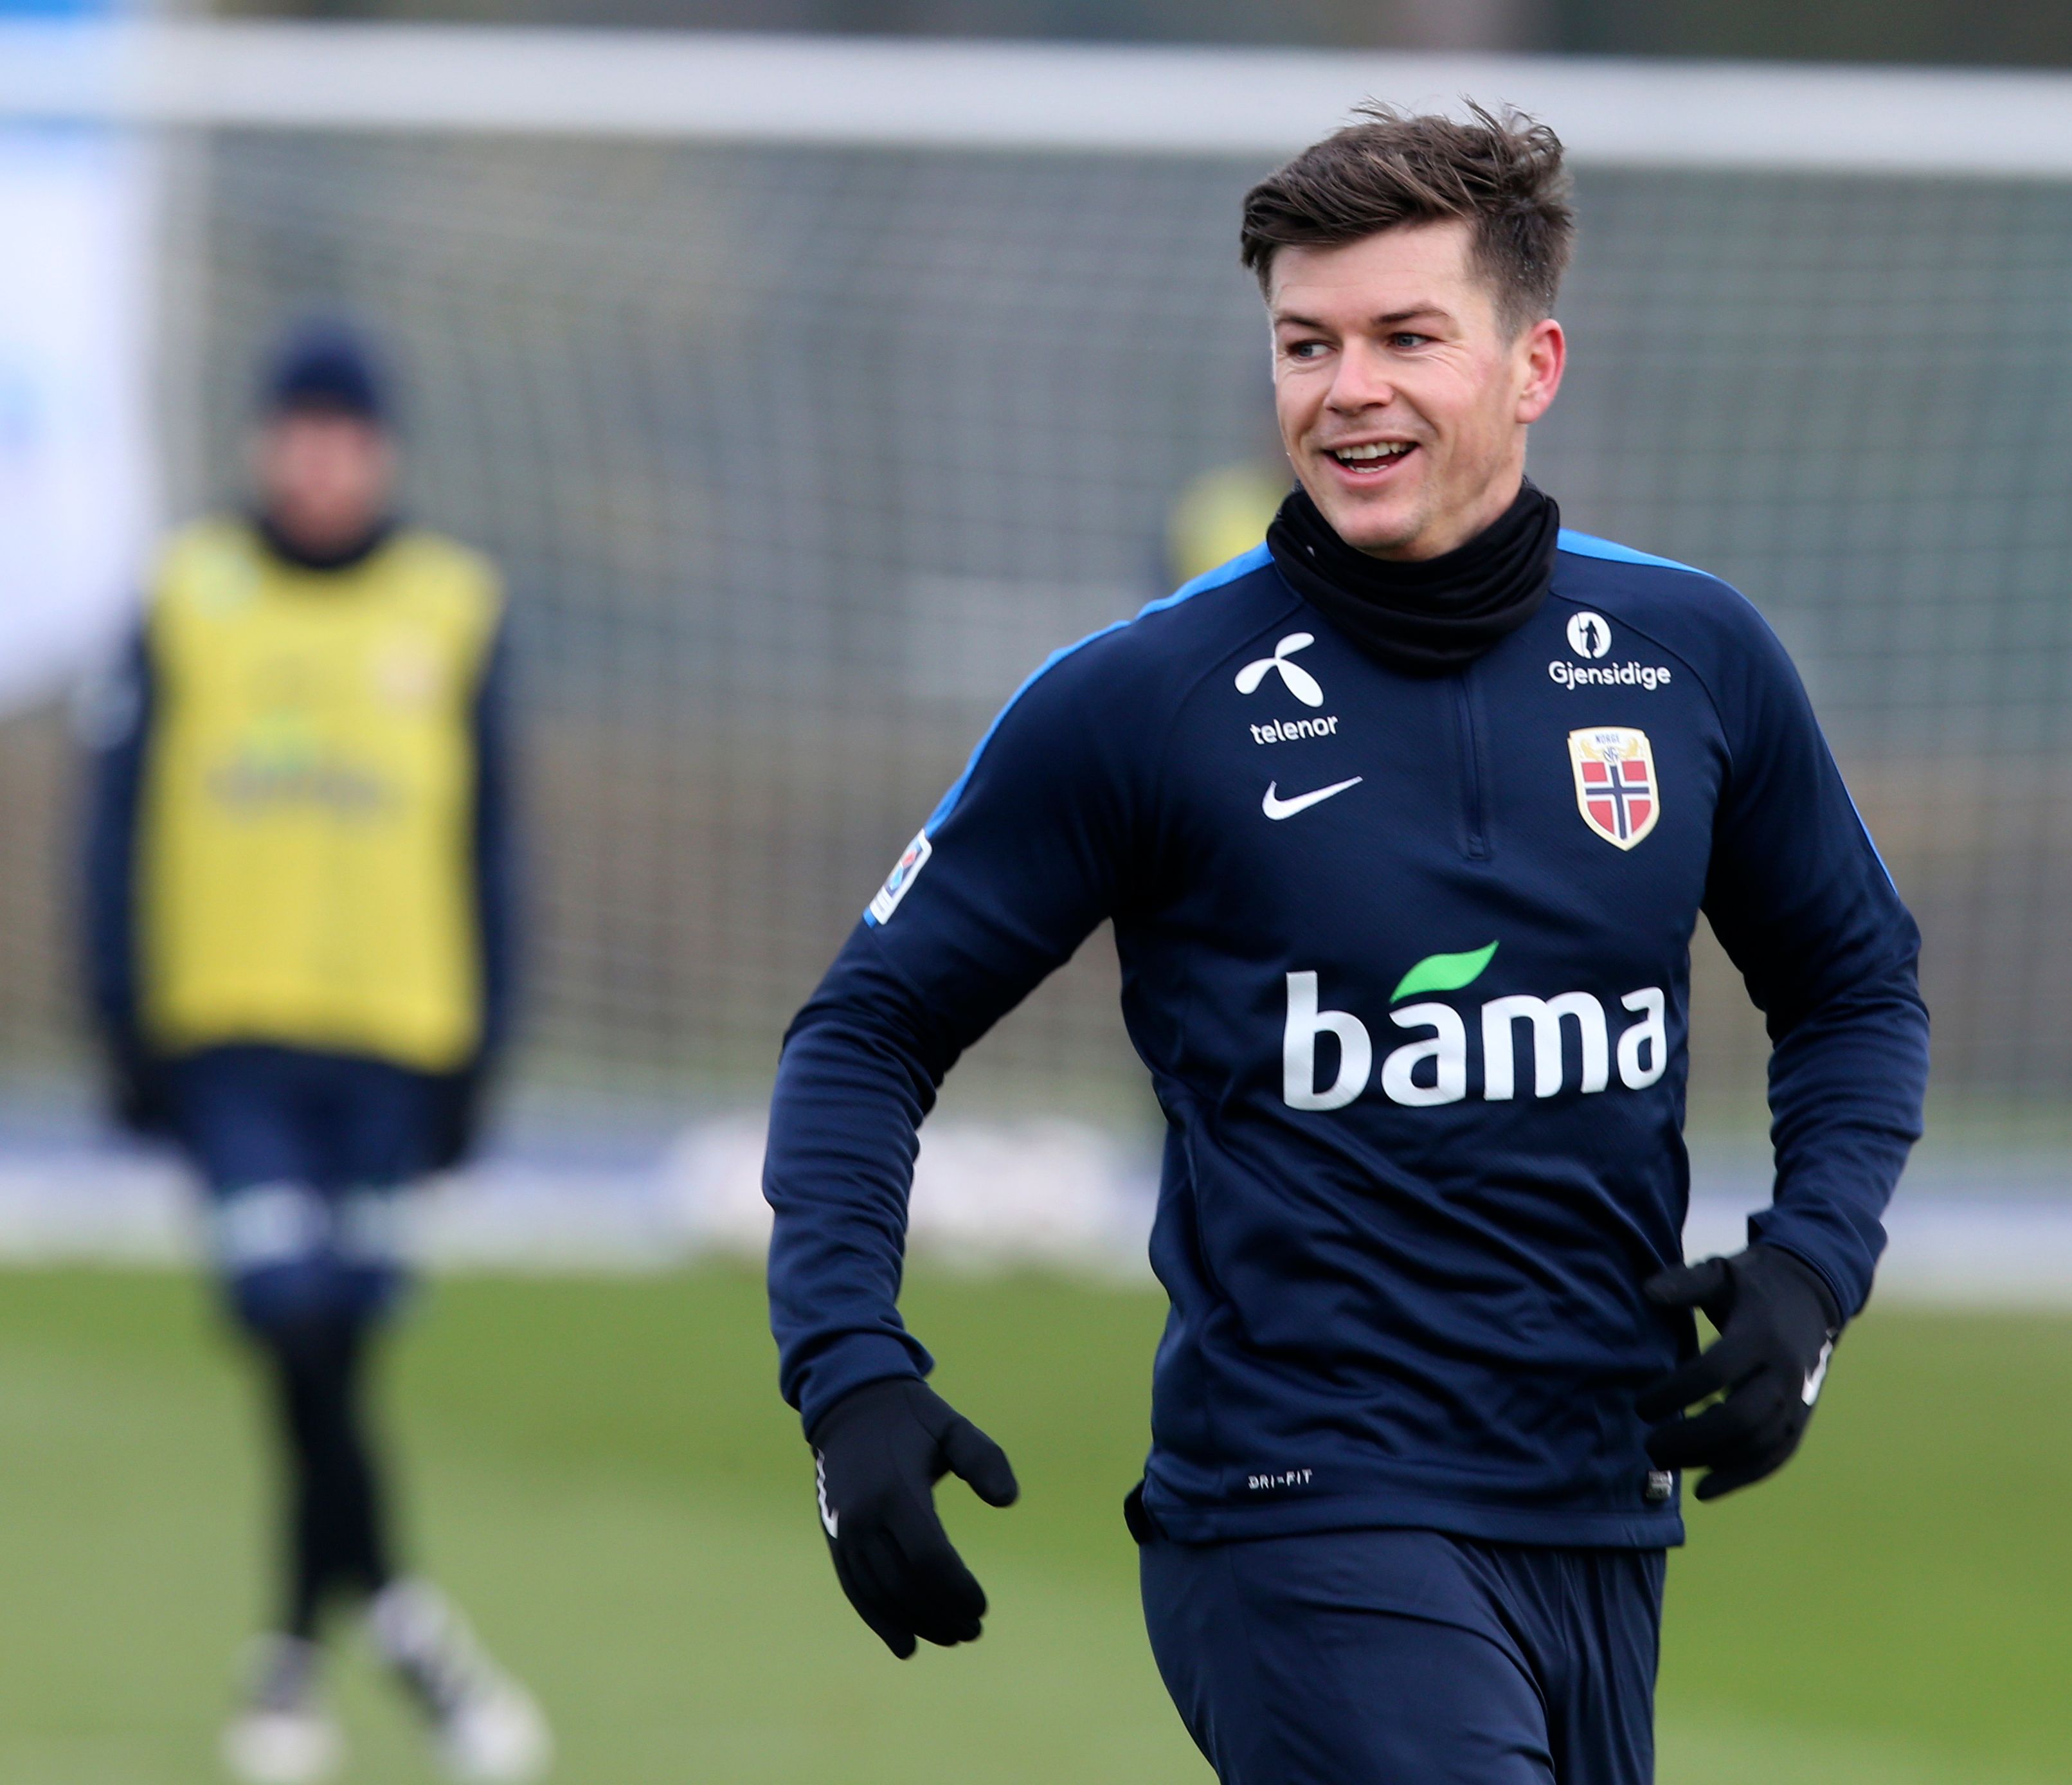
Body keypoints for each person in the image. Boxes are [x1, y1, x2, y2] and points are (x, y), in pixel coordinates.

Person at [767, 104, 1928, 1784]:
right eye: (1304, 344)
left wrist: (1811, 1271)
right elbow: (868, 1029)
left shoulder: (1690, 656)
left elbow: (1852, 986)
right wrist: (848, 1371)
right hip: (1294, 1512)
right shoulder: (1142, 701)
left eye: (1404, 338)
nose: (1345, 389)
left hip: (1599, 1507)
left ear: (1531, 366)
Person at [82, 322, 550, 1785]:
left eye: (346, 436)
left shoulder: (453, 605)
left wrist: (482, 1054)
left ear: (383, 453)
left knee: (337, 1352)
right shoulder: (186, 595)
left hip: (395, 1044)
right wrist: (123, 1022)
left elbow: (493, 844)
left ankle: (291, 1661)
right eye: (300, 432)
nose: (321, 462)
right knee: (287, 1322)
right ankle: (406, 1627)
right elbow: (113, 828)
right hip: (233, 1039)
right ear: (261, 444)